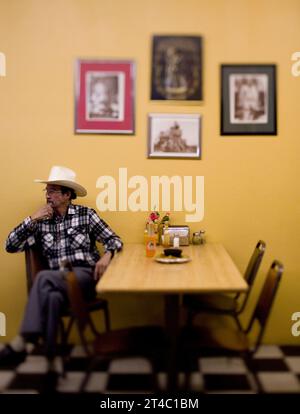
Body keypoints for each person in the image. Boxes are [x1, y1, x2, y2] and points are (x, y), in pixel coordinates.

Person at [0, 166, 123, 368]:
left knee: (43, 278)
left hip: (84, 277)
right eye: (46, 190)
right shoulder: (41, 223)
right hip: (58, 283)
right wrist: (32, 219)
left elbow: (114, 239)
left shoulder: (86, 215)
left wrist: (108, 255)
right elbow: (10, 246)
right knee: (52, 297)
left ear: (67, 195)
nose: (47, 195)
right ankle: (51, 366)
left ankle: (23, 341)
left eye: (53, 191)